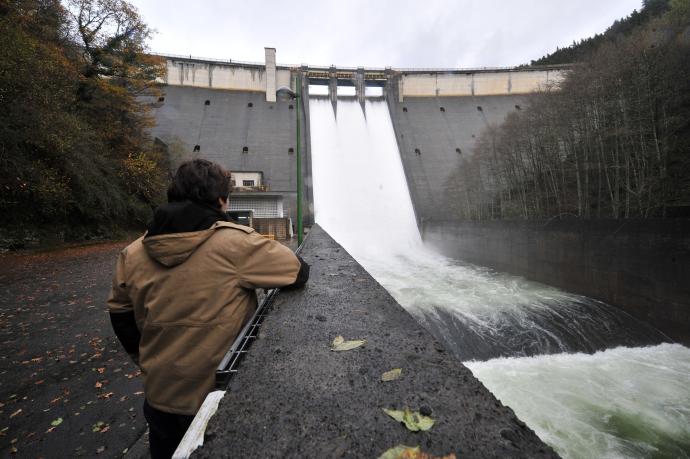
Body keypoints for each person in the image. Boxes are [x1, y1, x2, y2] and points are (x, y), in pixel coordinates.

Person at [107, 159, 309, 458]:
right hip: (214, 398)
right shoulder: (235, 244)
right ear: (220, 200)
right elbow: (297, 272)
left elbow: (120, 314)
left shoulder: (133, 252)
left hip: (160, 396)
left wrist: (144, 357)